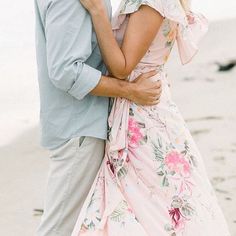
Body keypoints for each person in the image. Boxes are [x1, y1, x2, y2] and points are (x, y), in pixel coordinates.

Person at [71, 0, 231, 235]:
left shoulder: (152, 2)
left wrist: (97, 12)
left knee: (153, 199)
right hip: (143, 106)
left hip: (143, 116)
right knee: (153, 199)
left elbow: (122, 68)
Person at [34, 0, 163, 235]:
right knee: (59, 228)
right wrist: (130, 90)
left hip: (84, 123)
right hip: (79, 127)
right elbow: (65, 71)